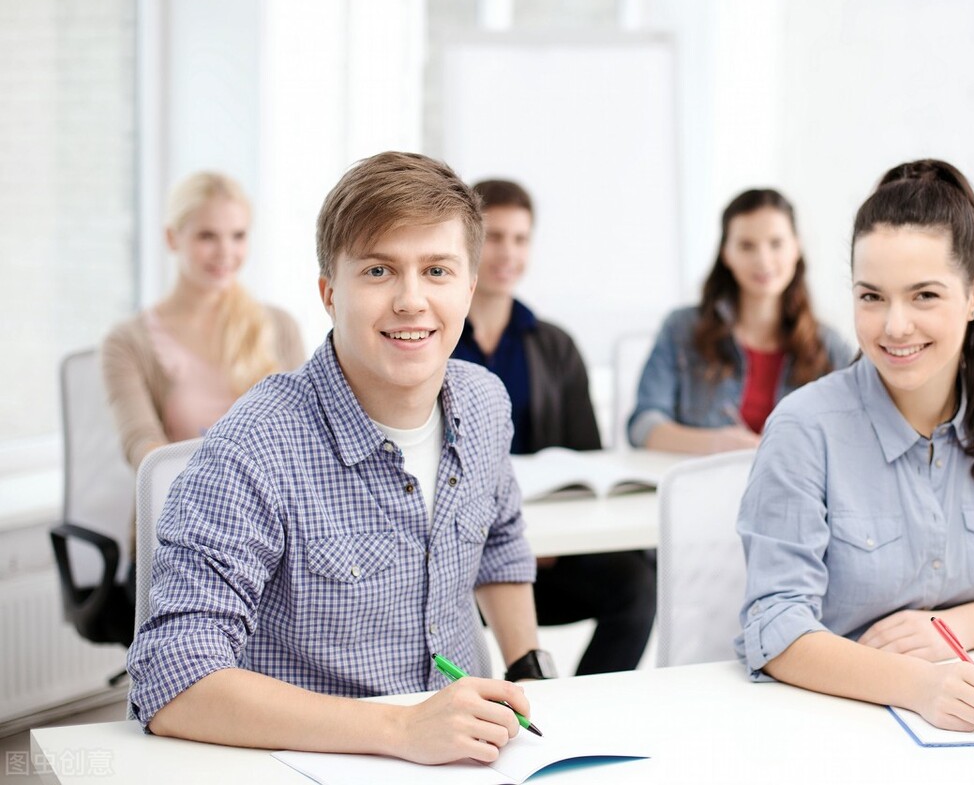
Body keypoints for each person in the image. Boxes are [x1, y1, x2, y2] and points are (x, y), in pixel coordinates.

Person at [127, 153, 550, 765]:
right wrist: (403, 731)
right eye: (379, 270)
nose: (411, 300)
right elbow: (171, 680)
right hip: (315, 764)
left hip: (471, 760)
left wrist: (527, 665)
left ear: (469, 287)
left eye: (437, 270)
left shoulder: (484, 403)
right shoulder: (258, 443)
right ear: (329, 293)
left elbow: (501, 541)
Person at [736, 159, 974, 732]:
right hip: (823, 722)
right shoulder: (805, 428)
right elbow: (777, 628)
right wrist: (919, 685)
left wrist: (956, 628)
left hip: (960, 717)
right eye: (872, 297)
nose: (895, 326)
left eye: (925, 295)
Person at [452, 179, 656, 675]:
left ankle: (576, 707)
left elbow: (584, 459)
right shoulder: (434, 339)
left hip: (549, 551)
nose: (508, 252)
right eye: (495, 236)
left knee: (636, 585)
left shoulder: (555, 347)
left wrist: (549, 541)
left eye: (520, 239)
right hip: (459, 557)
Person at [101, 171, 305, 472]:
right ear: (172, 238)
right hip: (183, 509)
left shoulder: (280, 326)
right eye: (207, 236)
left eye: (238, 236)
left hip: (272, 511)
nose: (226, 252)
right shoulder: (127, 343)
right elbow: (142, 449)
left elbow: (305, 435)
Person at [628, 188, 855, 454]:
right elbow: (643, 425)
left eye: (776, 243)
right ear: (726, 254)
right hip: (702, 487)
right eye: (746, 246)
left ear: (796, 248)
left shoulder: (828, 346)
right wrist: (714, 444)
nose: (763, 260)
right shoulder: (681, 329)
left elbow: (857, 431)